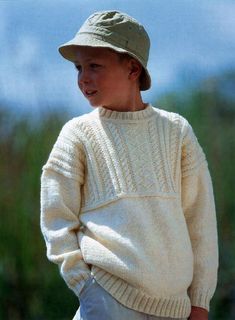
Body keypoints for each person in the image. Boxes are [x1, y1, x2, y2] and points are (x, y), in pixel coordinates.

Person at [40, 10, 218, 320]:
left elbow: (200, 222)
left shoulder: (177, 132)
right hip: (108, 301)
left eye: (94, 66)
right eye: (79, 67)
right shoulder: (77, 135)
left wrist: (200, 302)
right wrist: (85, 287)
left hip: (176, 308)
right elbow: (56, 219)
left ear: (133, 68)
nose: (83, 78)